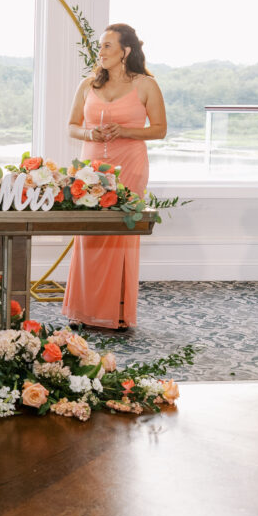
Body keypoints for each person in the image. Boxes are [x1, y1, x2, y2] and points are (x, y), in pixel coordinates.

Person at [63, 23, 166, 330]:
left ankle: (118, 312)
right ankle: (84, 310)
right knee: (89, 234)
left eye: (108, 45)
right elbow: (71, 125)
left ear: (126, 51)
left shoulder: (146, 85)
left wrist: (125, 131)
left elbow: (159, 129)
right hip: (92, 168)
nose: (101, 51)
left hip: (130, 164)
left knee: (121, 235)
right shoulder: (88, 85)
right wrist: (89, 134)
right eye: (100, 46)